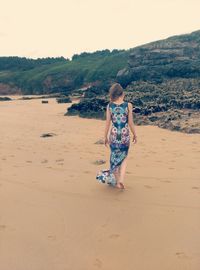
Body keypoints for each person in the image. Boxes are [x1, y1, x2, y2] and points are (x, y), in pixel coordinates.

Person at [96, 82, 137, 189]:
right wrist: (135, 134)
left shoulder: (109, 106)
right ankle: (120, 181)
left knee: (114, 157)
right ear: (122, 94)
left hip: (113, 135)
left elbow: (107, 122)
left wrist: (104, 136)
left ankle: (117, 180)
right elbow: (131, 122)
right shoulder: (128, 105)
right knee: (124, 158)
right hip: (124, 135)